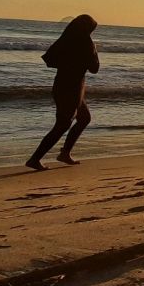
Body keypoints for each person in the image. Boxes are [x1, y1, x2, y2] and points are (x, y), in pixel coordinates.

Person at [26, 14, 100, 170]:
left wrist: (67, 64)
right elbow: (94, 69)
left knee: (84, 118)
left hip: (62, 84)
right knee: (63, 124)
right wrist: (93, 53)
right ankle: (35, 159)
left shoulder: (67, 38)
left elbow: (49, 60)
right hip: (72, 88)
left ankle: (65, 153)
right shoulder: (86, 43)